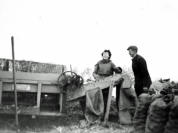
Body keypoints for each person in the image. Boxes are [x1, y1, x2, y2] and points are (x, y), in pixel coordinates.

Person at [93, 49, 122, 118]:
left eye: (107, 54)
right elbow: (94, 73)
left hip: (108, 83)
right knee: (98, 98)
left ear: (109, 56)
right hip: (99, 83)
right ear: (102, 55)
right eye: (104, 54)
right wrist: (97, 77)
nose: (105, 55)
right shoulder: (98, 63)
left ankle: (105, 115)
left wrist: (119, 70)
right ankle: (98, 114)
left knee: (106, 99)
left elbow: (117, 71)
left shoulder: (111, 63)